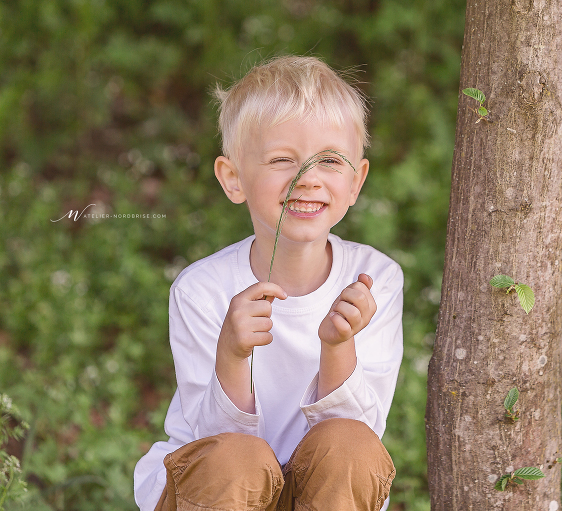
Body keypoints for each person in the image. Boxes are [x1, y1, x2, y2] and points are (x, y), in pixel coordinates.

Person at [134, 55, 404, 511]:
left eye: (330, 161)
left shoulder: (374, 280)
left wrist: (339, 346)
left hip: (316, 492)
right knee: (238, 458)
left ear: (356, 181)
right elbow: (216, 445)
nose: (309, 179)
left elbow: (360, 441)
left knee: (349, 446)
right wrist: (232, 353)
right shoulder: (202, 289)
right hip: (213, 491)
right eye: (283, 159)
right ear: (233, 178)